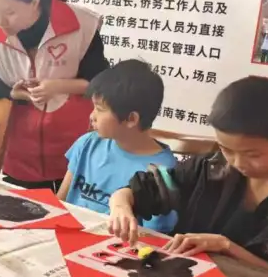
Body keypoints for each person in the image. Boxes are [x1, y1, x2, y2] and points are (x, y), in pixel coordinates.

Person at [108, 77, 268, 273]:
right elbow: (143, 189)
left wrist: (226, 246)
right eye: (226, 149)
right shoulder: (211, 168)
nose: (237, 163)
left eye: (253, 154)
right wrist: (120, 206)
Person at [0, 0, 108, 189]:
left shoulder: (81, 25)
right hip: (19, 148)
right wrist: (14, 93)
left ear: (35, 2)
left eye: (10, 12)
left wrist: (57, 86)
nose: (0, 22)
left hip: (72, 146)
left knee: (66, 207)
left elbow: (101, 82)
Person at [57, 60, 178, 233]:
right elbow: (60, 204)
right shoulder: (88, 143)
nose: (92, 116)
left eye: (99, 109)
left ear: (131, 119)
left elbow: (155, 238)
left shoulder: (163, 172)